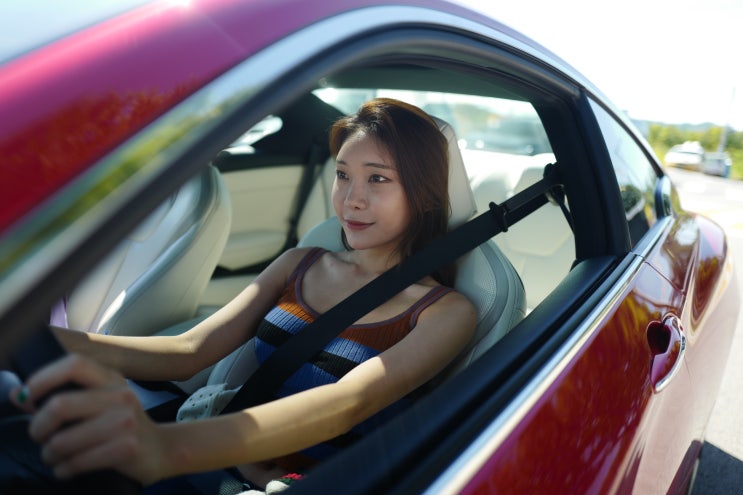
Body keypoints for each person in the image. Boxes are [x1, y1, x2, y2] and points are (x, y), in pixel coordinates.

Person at [4, 98, 477, 492]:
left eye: (378, 178)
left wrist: (164, 449)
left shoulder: (444, 312)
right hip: (219, 455)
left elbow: (347, 404)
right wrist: (36, 339)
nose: (351, 198)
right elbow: (190, 351)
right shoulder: (301, 263)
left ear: (424, 193)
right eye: (342, 174)